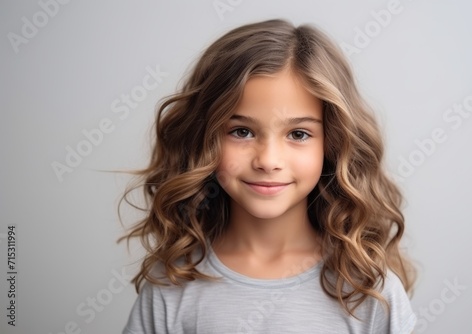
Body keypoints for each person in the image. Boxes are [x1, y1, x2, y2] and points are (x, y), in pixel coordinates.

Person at [119, 18, 417, 333]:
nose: (268, 160)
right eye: (242, 131)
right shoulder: (171, 286)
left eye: (299, 134)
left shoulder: (370, 292)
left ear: (332, 143)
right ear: (204, 138)